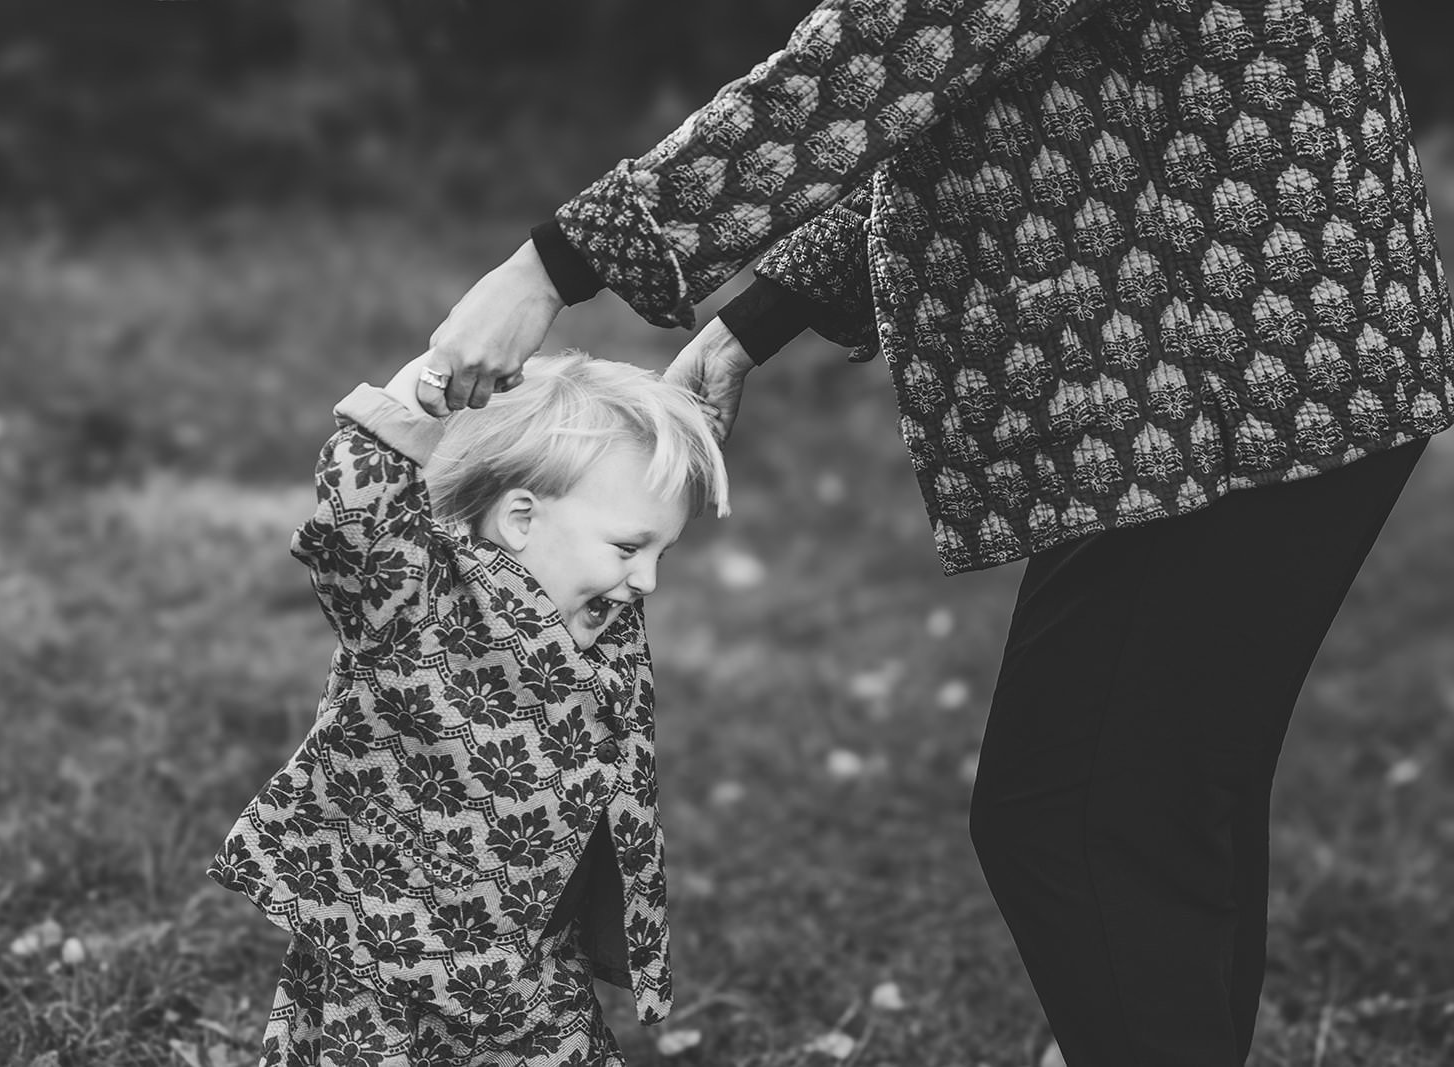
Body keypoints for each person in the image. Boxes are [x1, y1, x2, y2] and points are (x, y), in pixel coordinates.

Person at [418, 1, 1454, 1064]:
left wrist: (548, 268)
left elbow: (888, 48)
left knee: (1085, 818)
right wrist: (754, 320)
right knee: (1153, 812)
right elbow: (968, 83)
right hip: (1240, 369)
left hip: (1243, 372)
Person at [207, 350, 729, 1066]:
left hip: (531, 961)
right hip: (390, 957)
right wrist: (420, 393)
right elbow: (356, 521)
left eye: (660, 553)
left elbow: (625, 477)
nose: (647, 580)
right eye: (629, 548)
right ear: (520, 518)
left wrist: (681, 412)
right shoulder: (415, 604)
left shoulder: (597, 615)